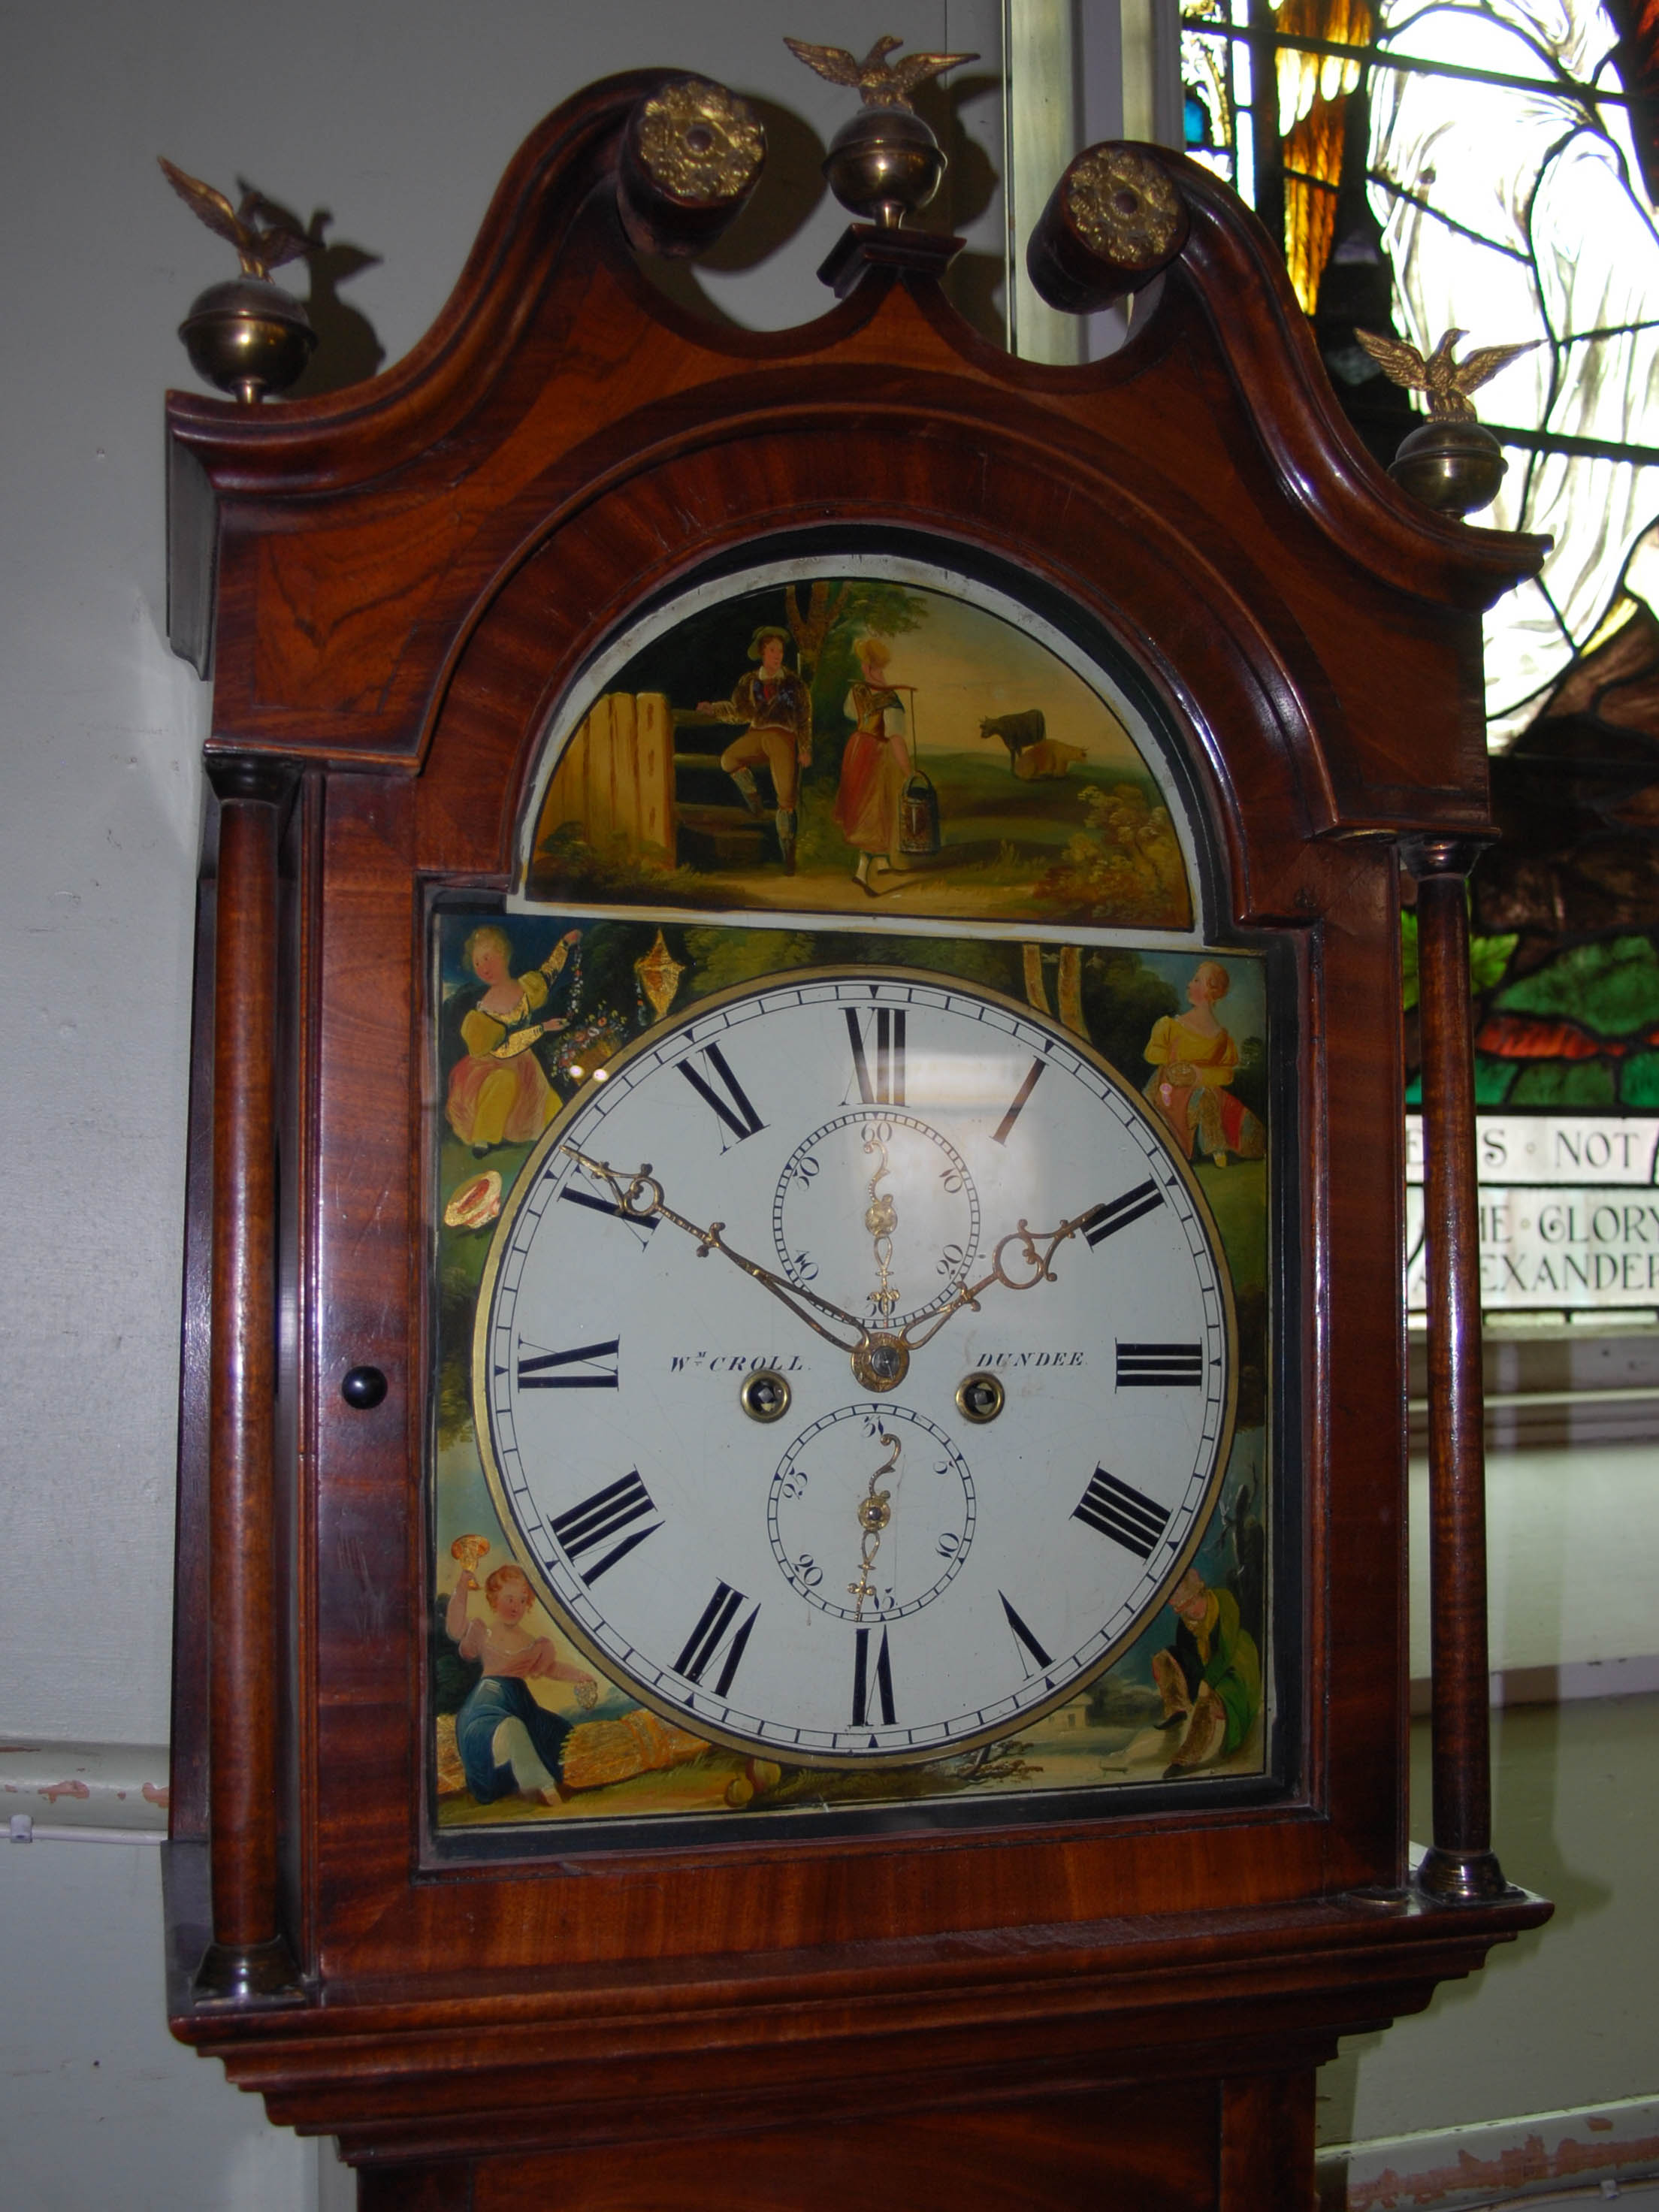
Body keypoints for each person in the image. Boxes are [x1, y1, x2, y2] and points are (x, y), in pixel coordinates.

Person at [445, 1562, 725, 1805]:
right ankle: (541, 1786)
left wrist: (580, 1676)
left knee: (558, 1738)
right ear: (494, 1599)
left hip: (520, 1703)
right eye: (509, 1599)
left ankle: (540, 1781)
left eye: (522, 1599)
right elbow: (455, 1631)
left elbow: (551, 1669)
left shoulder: (533, 1644)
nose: (516, 1606)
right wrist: (461, 1583)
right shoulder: (484, 1631)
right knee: (513, 1730)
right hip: (487, 1705)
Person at [444, 926, 579, 1154]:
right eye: (477, 963)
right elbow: (502, 1050)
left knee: (545, 1098)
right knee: (503, 1081)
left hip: (523, 1062)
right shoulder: (482, 1012)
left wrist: (565, 944)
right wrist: (542, 1028)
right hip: (488, 1067)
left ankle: (560, 1134)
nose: (483, 968)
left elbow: (549, 972)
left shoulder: (526, 987)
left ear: (503, 954)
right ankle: (483, 1139)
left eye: (487, 958)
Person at [699, 626, 813, 875]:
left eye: (780, 651)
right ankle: (754, 798)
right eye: (772, 650)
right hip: (757, 734)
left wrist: (804, 749)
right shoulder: (750, 682)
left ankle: (788, 855)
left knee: (786, 799)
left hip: (783, 737)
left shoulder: (794, 683)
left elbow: (804, 718)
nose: (777, 655)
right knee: (728, 759)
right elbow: (739, 712)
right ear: (762, 652)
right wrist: (714, 709)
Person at [1143, 960, 1265, 1166]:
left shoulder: (1221, 1038)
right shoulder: (1170, 1025)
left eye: (1198, 980)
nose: (1190, 985)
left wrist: (1198, 1074)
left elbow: (1226, 1074)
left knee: (1209, 1098)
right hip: (1168, 1089)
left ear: (1213, 990)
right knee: (1152, 1112)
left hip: (1202, 1090)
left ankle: (1217, 1151)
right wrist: (1176, 1065)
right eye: (1193, 980)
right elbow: (1152, 1054)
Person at [1150, 1566, 1262, 1773]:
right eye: (1183, 1609)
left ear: (1201, 1593)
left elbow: (1226, 1651)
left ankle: (1186, 1759)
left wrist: (1207, 1682)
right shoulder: (1186, 1623)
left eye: (1192, 1603)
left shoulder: (1224, 1601)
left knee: (1208, 1702)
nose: (1191, 1612)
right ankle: (1177, 1710)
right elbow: (1186, 1657)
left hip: (1236, 1670)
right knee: (1162, 1659)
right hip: (1206, 1670)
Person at [832, 636, 913, 893]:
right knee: (874, 812)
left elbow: (849, 713)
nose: (867, 669)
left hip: (856, 748)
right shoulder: (889, 700)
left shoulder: (856, 691)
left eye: (869, 665)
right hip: (877, 755)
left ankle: (880, 860)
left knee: (868, 809)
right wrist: (908, 771)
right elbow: (896, 738)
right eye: (871, 665)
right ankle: (863, 873)